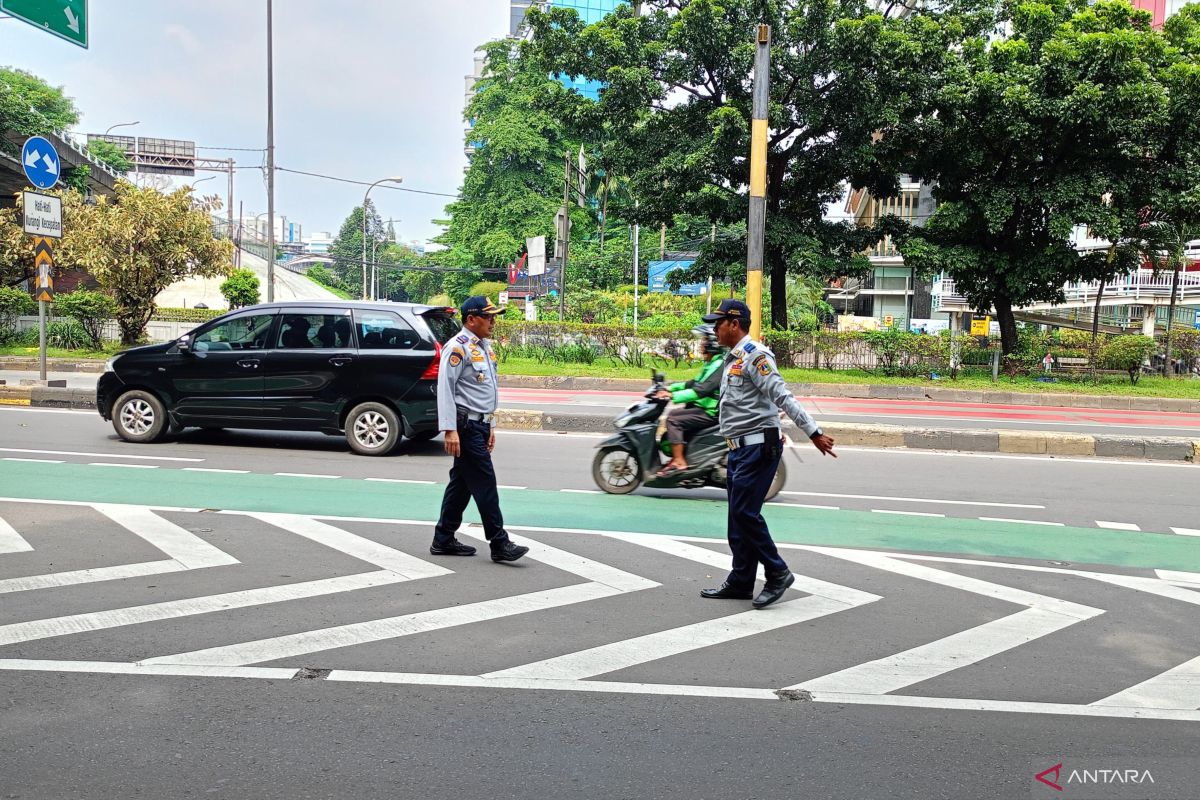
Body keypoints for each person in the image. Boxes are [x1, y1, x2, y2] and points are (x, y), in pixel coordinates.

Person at [700, 298, 837, 609]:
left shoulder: (755, 357)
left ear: (734, 324)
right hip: (739, 448)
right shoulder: (732, 358)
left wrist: (813, 432)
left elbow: (782, 396)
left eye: (719, 323)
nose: (715, 329)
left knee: (746, 514)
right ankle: (741, 580)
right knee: (737, 516)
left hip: (758, 447)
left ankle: (777, 572)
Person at [429, 296, 529, 563]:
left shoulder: (483, 347)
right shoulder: (458, 347)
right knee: (485, 484)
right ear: (471, 319)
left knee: (461, 484)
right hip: (466, 427)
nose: (493, 321)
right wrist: (450, 429)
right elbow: (445, 390)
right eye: (489, 317)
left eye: (494, 316)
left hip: (480, 424)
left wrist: (491, 424)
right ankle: (499, 543)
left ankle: (443, 538)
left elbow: (487, 390)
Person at [654, 325, 724, 476]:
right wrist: (670, 387)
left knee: (673, 419)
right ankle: (680, 456)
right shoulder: (713, 363)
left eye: (704, 340)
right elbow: (693, 383)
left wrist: (673, 396)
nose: (701, 344)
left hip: (710, 412)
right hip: (704, 408)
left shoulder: (720, 365)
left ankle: (679, 460)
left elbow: (702, 390)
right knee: (679, 414)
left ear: (713, 343)